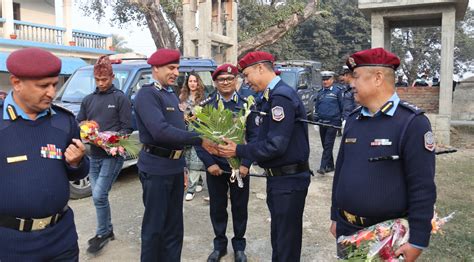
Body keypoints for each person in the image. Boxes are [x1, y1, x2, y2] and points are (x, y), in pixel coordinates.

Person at [330, 48, 436, 261]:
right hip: (346, 227)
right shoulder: (353, 119)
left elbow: (422, 186)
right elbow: (340, 171)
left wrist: (418, 240)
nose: (351, 83)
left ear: (378, 78)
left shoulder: (411, 122)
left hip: (386, 236)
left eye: (356, 76)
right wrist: (335, 216)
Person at [218, 51, 312, 262]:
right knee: (279, 238)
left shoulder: (281, 97)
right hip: (280, 179)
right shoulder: (272, 96)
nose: (246, 81)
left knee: (286, 241)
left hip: (288, 180)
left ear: (260, 68)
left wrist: (239, 151)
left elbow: (275, 145)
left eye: (247, 74)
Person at [0, 47, 89, 260]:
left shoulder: (63, 121)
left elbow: (79, 173)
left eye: (54, 85)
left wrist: (76, 162)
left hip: (61, 240)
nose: (52, 92)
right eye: (43, 86)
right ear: (16, 83)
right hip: (11, 246)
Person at [133, 48, 218, 261]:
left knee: (174, 227)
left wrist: (183, 167)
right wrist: (200, 139)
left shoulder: (170, 94)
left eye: (177, 68)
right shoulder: (147, 94)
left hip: (174, 167)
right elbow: (160, 132)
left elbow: (179, 129)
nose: (176, 72)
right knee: (155, 228)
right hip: (156, 168)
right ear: (155, 68)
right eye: (171, 68)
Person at [195, 64, 258, 262]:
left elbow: (255, 137)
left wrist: (246, 163)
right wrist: (208, 164)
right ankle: (219, 246)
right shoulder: (206, 106)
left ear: (236, 81)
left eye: (230, 79)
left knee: (240, 207)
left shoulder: (248, 104)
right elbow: (197, 138)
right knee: (217, 207)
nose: (226, 83)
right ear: (215, 82)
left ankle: (239, 247)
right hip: (215, 166)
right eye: (221, 79)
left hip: (240, 166)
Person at [76, 55, 133, 254]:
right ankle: (107, 231)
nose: (101, 83)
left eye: (105, 80)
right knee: (99, 196)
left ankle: (102, 233)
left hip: (113, 155)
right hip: (94, 155)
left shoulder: (120, 98)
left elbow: (127, 128)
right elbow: (80, 123)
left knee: (99, 195)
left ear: (112, 77)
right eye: (98, 80)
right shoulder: (88, 99)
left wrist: (110, 139)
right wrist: (87, 130)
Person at [179, 72, 206, 201]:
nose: (193, 83)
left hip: (199, 131)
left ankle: (191, 189)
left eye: (195, 81)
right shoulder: (182, 96)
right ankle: (199, 181)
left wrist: (198, 116)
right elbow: (179, 112)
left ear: (198, 82)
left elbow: (208, 115)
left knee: (195, 158)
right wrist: (183, 116)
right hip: (185, 131)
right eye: (190, 81)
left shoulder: (203, 97)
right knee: (188, 160)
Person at [313, 71, 344, 175]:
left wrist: (343, 120)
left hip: (333, 122)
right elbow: (317, 107)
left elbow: (342, 106)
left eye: (327, 79)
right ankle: (330, 166)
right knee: (325, 145)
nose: (325, 81)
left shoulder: (337, 91)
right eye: (323, 80)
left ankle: (323, 167)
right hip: (322, 122)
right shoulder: (320, 92)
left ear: (332, 80)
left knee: (327, 144)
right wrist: (316, 121)